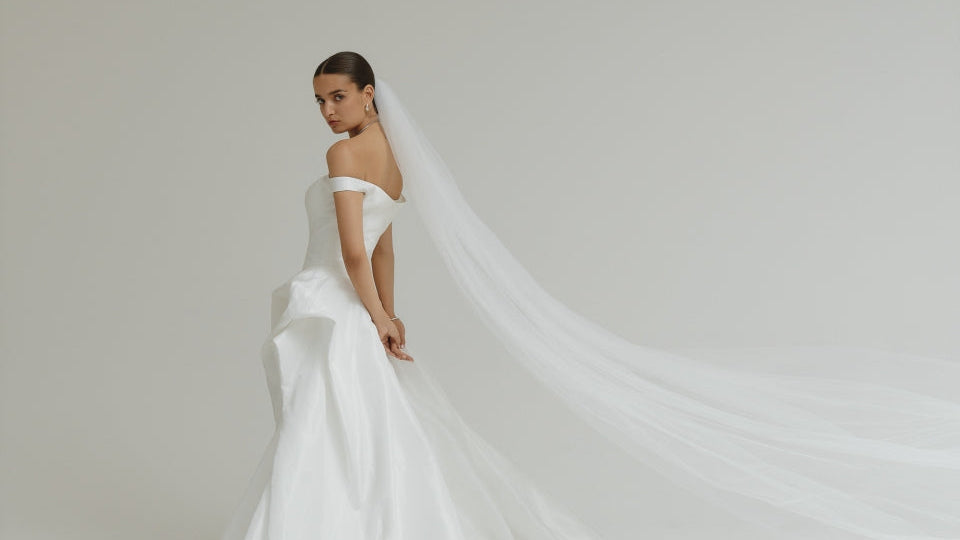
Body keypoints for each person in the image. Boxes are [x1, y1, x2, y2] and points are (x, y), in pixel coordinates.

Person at [221, 51, 960, 540]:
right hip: (357, 312)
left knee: (320, 435)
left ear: (369, 92)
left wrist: (377, 314)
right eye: (319, 101)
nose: (326, 112)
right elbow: (386, 247)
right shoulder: (393, 161)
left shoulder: (345, 153)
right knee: (360, 438)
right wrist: (390, 310)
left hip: (333, 308)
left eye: (337, 96)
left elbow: (356, 248)